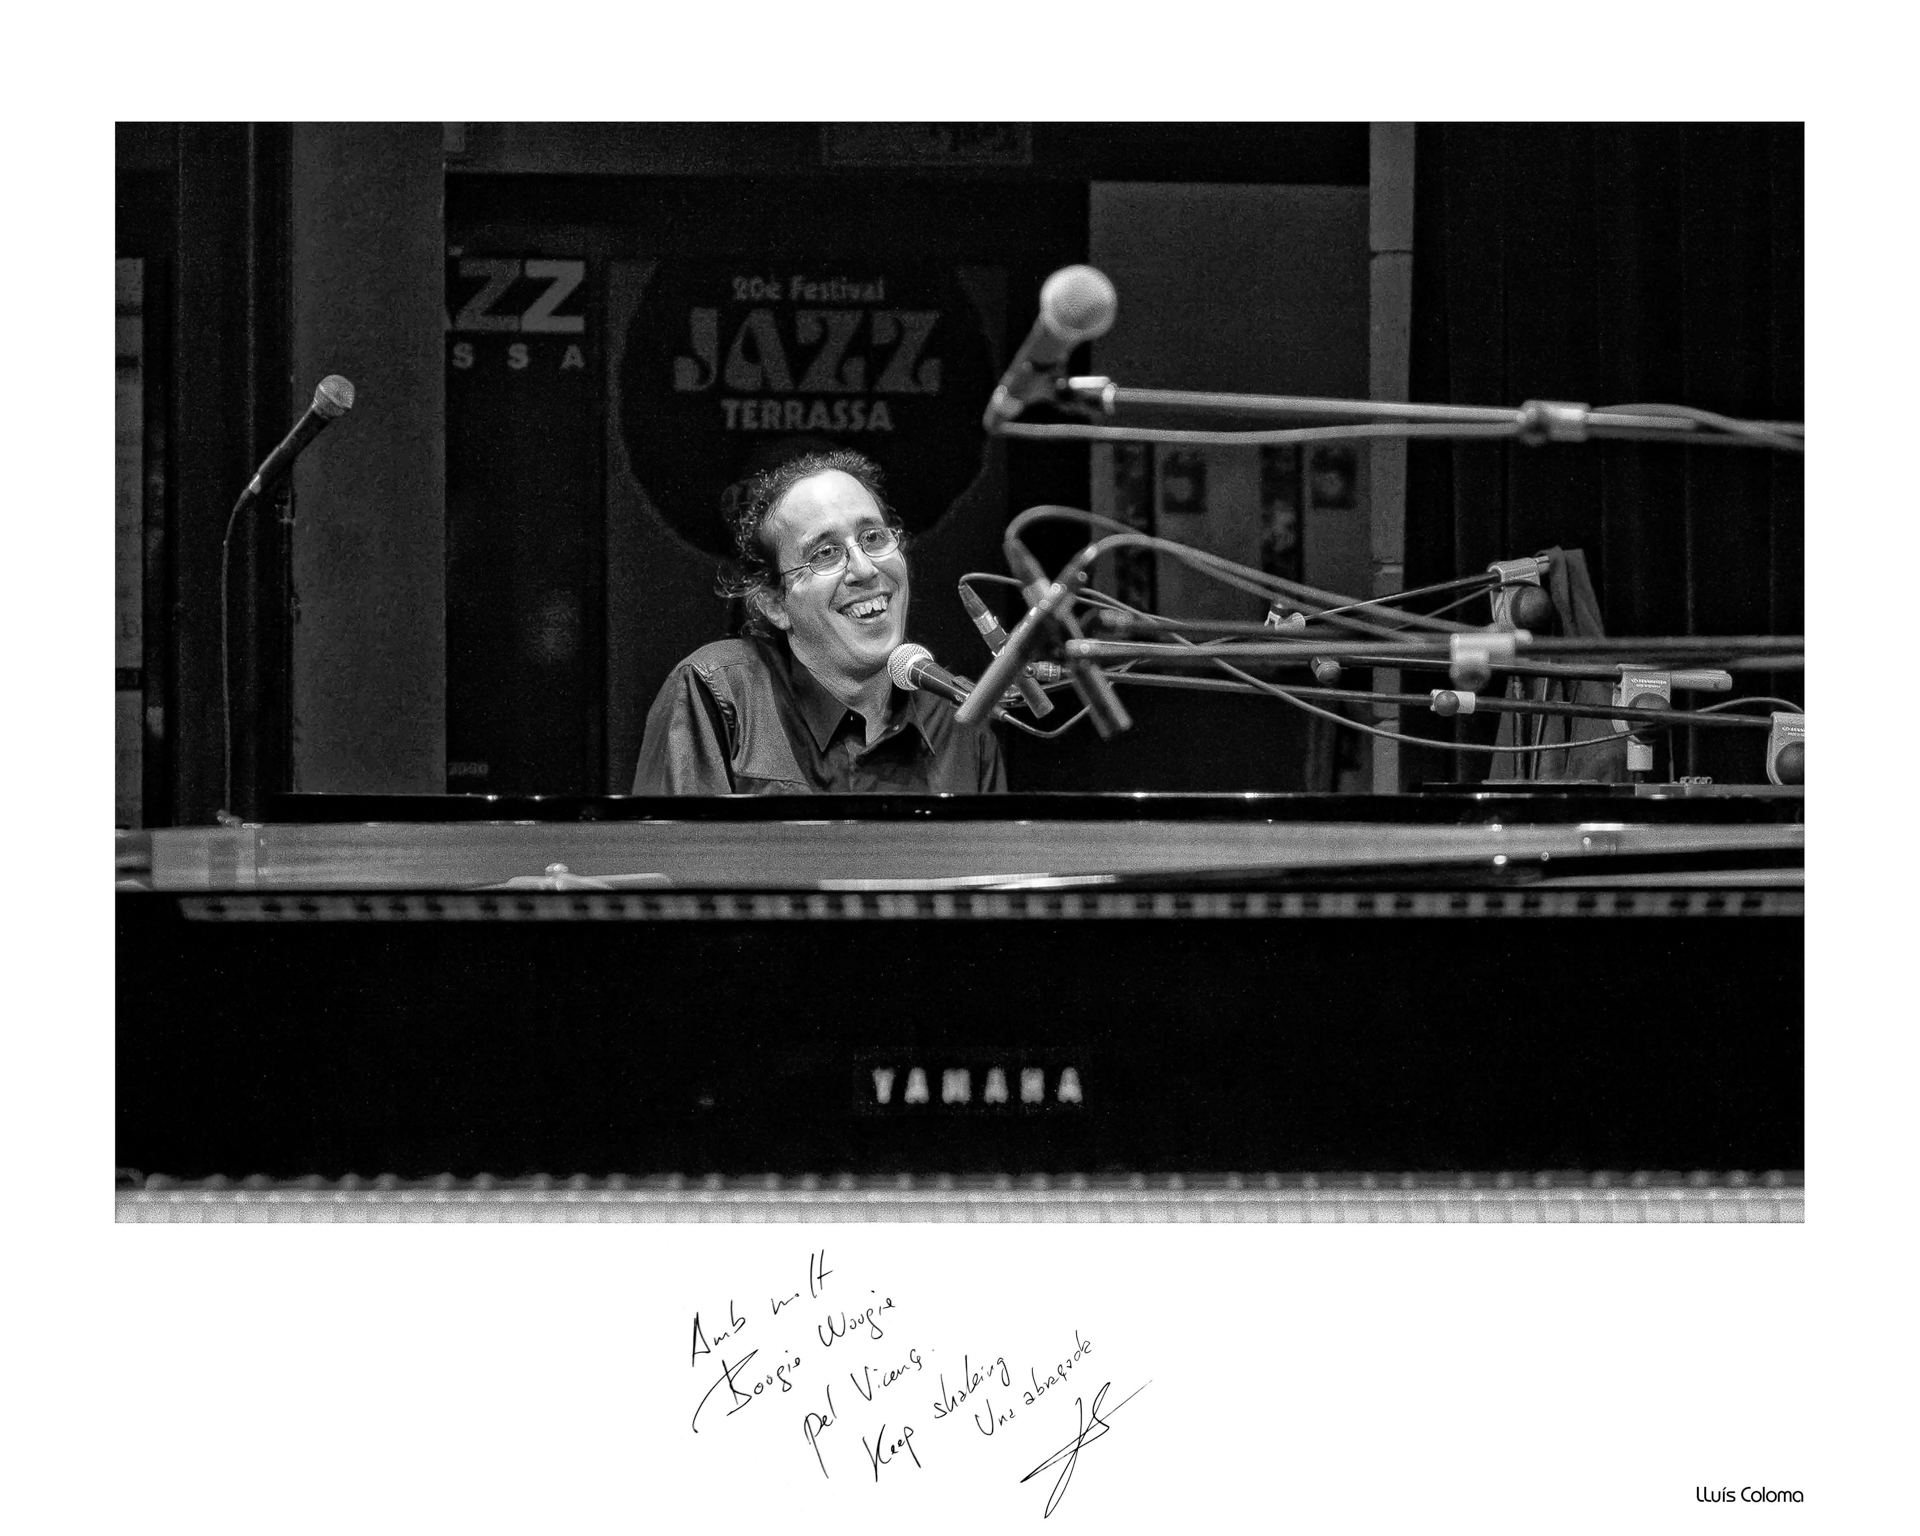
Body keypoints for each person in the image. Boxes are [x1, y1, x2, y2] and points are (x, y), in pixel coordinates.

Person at [632, 449, 1006, 795]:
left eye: (873, 537)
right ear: (775, 604)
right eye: (825, 553)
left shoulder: (962, 724)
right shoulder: (716, 692)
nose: (864, 569)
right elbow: (677, 847)